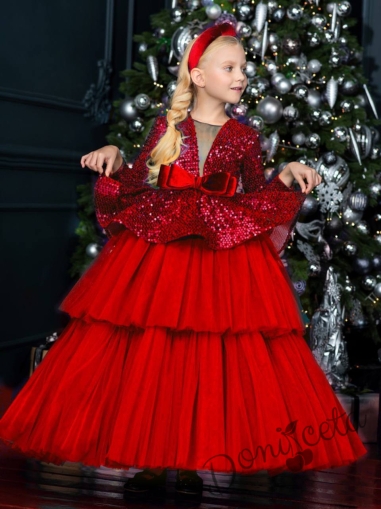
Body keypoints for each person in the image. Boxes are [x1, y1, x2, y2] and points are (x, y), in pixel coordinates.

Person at [0, 23, 368, 498]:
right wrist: (113, 151)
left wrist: (284, 175)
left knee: (205, 358)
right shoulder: (166, 127)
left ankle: (192, 464)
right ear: (198, 75)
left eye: (244, 68)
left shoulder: (244, 138)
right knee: (155, 354)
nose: (241, 76)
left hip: (221, 259)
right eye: (230, 67)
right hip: (162, 254)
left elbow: (254, 199)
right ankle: (151, 462)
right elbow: (132, 184)